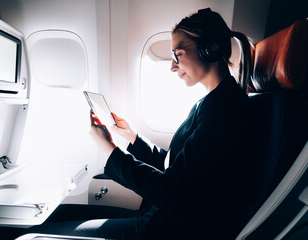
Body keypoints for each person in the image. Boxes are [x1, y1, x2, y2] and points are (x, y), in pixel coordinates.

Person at [26, 8, 260, 240]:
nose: (172, 65)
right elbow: (178, 165)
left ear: (210, 48)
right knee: (53, 216)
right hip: (163, 219)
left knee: (37, 233)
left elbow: (172, 192)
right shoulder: (211, 101)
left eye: (177, 53)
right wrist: (133, 138)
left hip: (169, 229)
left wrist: (109, 150)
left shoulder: (224, 109)